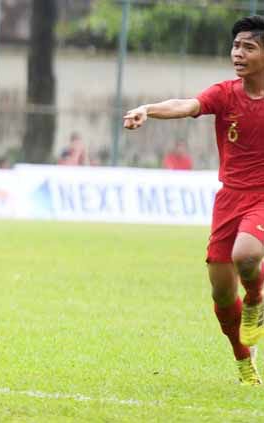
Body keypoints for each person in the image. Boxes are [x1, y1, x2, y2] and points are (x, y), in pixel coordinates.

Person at [123, 15, 264, 386]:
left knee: (246, 256)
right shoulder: (225, 93)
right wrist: (147, 110)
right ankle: (242, 360)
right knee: (220, 291)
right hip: (229, 199)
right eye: (236, 46)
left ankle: (256, 299)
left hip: (263, 198)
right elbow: (187, 105)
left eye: (249, 47)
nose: (238, 53)